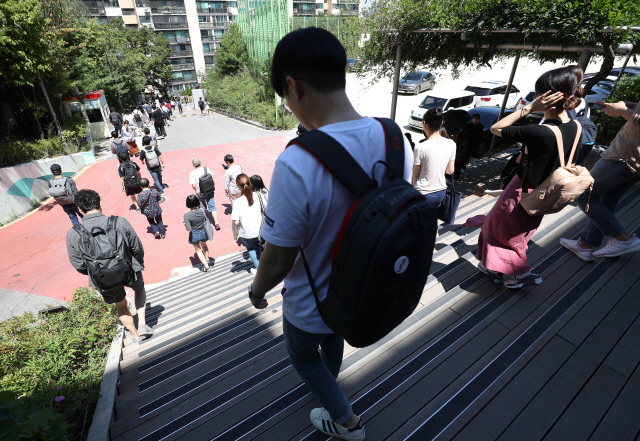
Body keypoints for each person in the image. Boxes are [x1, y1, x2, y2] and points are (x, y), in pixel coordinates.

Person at [247, 28, 413, 441]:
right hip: (365, 290)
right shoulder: (395, 139)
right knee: (333, 337)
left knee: (304, 359)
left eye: (285, 98)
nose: (288, 106)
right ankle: (332, 377)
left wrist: (256, 291)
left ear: (292, 86)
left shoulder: (297, 162)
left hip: (311, 302)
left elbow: (280, 258)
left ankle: (347, 422)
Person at [477, 66, 584, 289]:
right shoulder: (577, 126)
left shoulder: (540, 131)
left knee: (498, 231)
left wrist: (527, 110)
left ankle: (513, 275)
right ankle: (506, 271)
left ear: (542, 97)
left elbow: (496, 128)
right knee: (520, 234)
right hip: (547, 193)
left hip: (522, 191)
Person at [66, 189, 153, 343]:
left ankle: (135, 335)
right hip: (129, 268)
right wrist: (138, 263)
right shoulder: (119, 222)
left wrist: (98, 271)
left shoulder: (73, 234)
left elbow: (78, 264)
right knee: (139, 290)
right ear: (100, 203)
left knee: (121, 305)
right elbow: (136, 247)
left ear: (80, 210)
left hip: (102, 277)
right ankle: (142, 324)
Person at [560, 98, 640, 260]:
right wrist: (629, 107)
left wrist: (622, 111)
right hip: (632, 160)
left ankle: (623, 239)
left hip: (623, 158)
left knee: (582, 192)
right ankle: (585, 245)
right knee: (605, 201)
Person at [412, 107, 456, 208]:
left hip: (423, 193)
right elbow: (450, 170)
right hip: (440, 192)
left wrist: (414, 189)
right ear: (441, 124)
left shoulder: (420, 147)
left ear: (424, 124)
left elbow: (416, 173)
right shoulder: (451, 143)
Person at [230, 174, 263, 274]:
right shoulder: (258, 195)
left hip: (246, 232)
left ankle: (258, 267)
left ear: (239, 186)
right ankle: (263, 265)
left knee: (250, 248)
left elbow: (235, 221)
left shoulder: (237, 202)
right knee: (257, 246)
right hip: (258, 230)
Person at [189, 157, 221, 230]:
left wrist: (197, 190)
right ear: (200, 162)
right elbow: (212, 179)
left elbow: (193, 186)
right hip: (210, 191)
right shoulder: (206, 169)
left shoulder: (192, 173)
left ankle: (205, 221)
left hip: (200, 193)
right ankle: (216, 223)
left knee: (202, 207)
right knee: (212, 207)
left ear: (193, 165)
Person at [184, 195, 212, 272]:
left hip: (194, 234)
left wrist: (185, 224)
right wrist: (198, 202)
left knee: (198, 250)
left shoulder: (186, 215)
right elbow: (202, 205)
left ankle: (206, 267)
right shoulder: (202, 210)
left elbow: (189, 229)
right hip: (203, 231)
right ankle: (207, 260)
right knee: (204, 246)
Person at [250, 174, 269, 247]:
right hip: (271, 216)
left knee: (261, 237)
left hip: (261, 217)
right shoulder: (267, 190)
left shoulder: (254, 195)